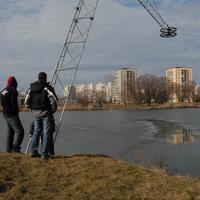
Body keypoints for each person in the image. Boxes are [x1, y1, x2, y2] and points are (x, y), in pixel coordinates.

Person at [25, 72, 57, 159]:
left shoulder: (31, 88)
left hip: (36, 113)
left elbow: (26, 101)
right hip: (46, 113)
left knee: (36, 131)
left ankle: (33, 152)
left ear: (38, 78)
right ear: (45, 78)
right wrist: (53, 110)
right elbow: (53, 100)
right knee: (46, 133)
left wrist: (31, 108)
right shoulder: (47, 88)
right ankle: (44, 154)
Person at [0, 76, 24, 153]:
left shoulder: (3, 90)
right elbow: (14, 103)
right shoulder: (13, 90)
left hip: (5, 113)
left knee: (10, 131)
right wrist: (15, 111)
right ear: (15, 83)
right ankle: (16, 149)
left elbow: (2, 102)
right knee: (20, 131)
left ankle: (8, 150)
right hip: (12, 114)